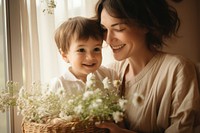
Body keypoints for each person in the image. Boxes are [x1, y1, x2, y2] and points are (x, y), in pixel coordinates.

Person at [94, 0, 200, 133]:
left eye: (119, 29)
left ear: (145, 25)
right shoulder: (110, 72)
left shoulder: (177, 69)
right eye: (104, 29)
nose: (108, 39)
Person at [50, 16, 117, 95]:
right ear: (65, 55)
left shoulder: (108, 75)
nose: (90, 57)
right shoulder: (60, 84)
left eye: (96, 49)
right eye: (81, 50)